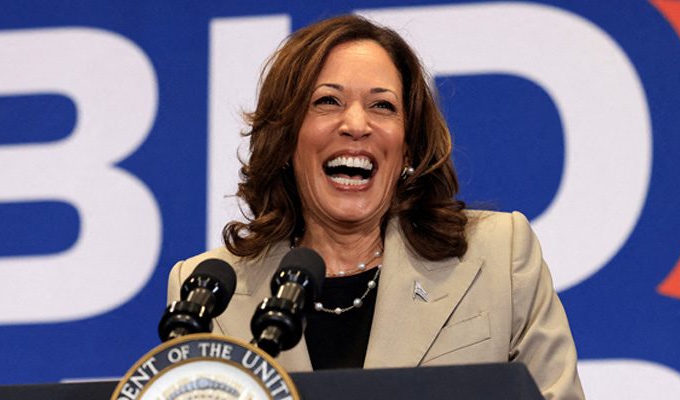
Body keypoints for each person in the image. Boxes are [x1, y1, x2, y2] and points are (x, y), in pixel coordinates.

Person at [168, 15, 584, 399]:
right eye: (327, 101)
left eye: (382, 105)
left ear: (408, 146)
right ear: (286, 139)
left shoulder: (499, 255)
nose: (356, 124)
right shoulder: (208, 295)